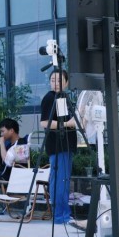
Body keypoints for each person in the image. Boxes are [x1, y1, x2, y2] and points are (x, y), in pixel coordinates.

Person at [41, 69, 77, 224]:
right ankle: (61, 216)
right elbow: (44, 122)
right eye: (53, 80)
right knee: (60, 180)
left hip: (66, 144)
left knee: (63, 179)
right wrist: (68, 124)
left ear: (67, 82)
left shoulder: (63, 97)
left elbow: (65, 119)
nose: (56, 83)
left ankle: (63, 214)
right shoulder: (50, 98)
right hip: (58, 145)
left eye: (59, 80)